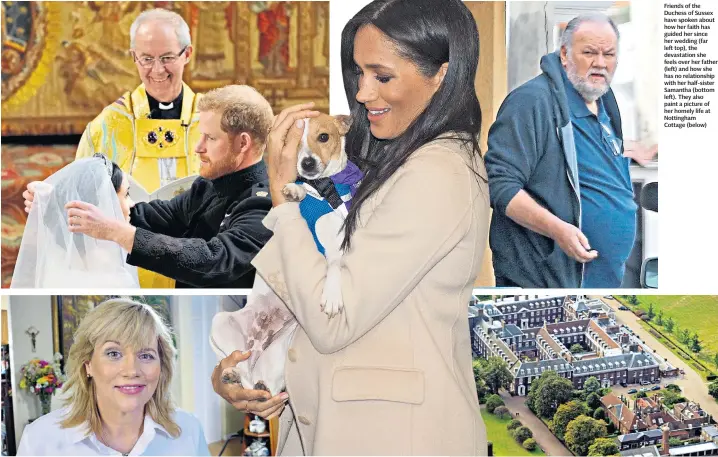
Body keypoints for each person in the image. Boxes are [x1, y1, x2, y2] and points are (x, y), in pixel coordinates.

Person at [212, 0, 490, 454]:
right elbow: (311, 297)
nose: (362, 93)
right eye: (359, 73)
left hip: (397, 437)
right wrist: (249, 373)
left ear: (440, 74)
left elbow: (332, 319)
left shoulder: (437, 172)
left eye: (382, 76)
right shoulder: (385, 160)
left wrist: (282, 193)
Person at [23, 85, 274, 288]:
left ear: (243, 144)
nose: (198, 147)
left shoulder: (266, 202)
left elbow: (215, 261)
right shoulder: (210, 184)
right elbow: (161, 216)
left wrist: (118, 232)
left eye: (210, 138)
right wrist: (59, 202)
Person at [484, 13, 658, 288]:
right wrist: (558, 230)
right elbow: (499, 185)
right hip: (547, 285)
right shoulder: (531, 102)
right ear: (564, 54)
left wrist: (621, 151)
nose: (600, 63)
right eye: (589, 52)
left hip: (600, 283)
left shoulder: (602, 100)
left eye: (609, 54)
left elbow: (573, 154)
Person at [74, 8, 202, 288]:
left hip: (199, 262)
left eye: (167, 58)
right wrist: (46, 199)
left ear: (187, 54)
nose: (157, 70)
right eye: (146, 59)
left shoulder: (214, 121)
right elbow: (79, 196)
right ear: (134, 57)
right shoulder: (107, 126)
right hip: (129, 264)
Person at [16, 299, 209, 456]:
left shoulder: (189, 430)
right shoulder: (40, 439)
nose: (131, 370)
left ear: (162, 367)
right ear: (87, 364)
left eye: (146, 355)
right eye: (113, 354)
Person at [12, 154, 139, 288]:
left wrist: (56, 202)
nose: (133, 204)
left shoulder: (58, 258)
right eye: (126, 195)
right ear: (105, 202)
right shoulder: (114, 275)